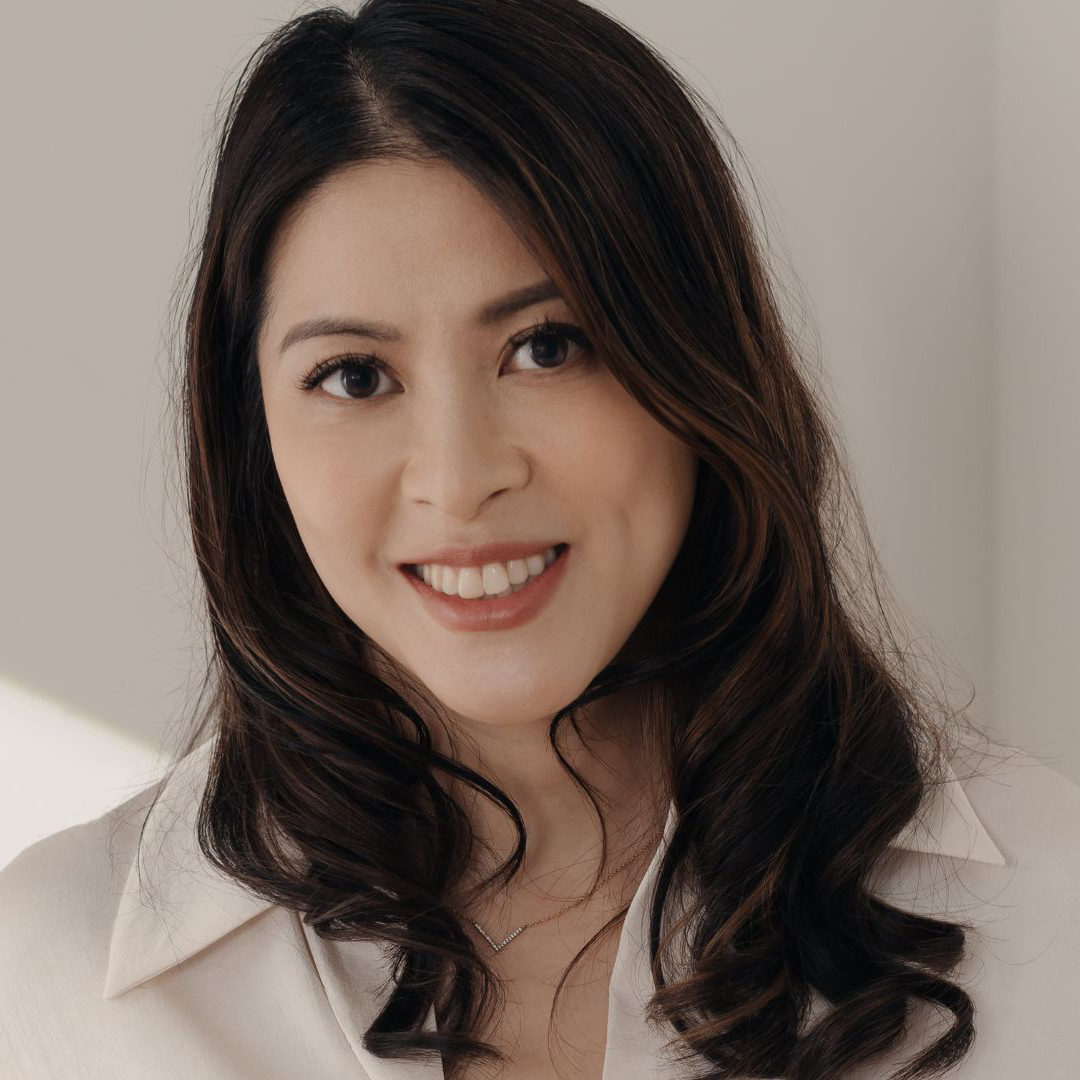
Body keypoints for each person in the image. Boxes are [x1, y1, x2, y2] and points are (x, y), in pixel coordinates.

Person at [2, 1, 1078, 1078]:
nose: (462, 479)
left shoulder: (1054, 912)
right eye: (354, 376)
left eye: (547, 347)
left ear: (698, 366)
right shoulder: (44, 980)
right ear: (256, 439)